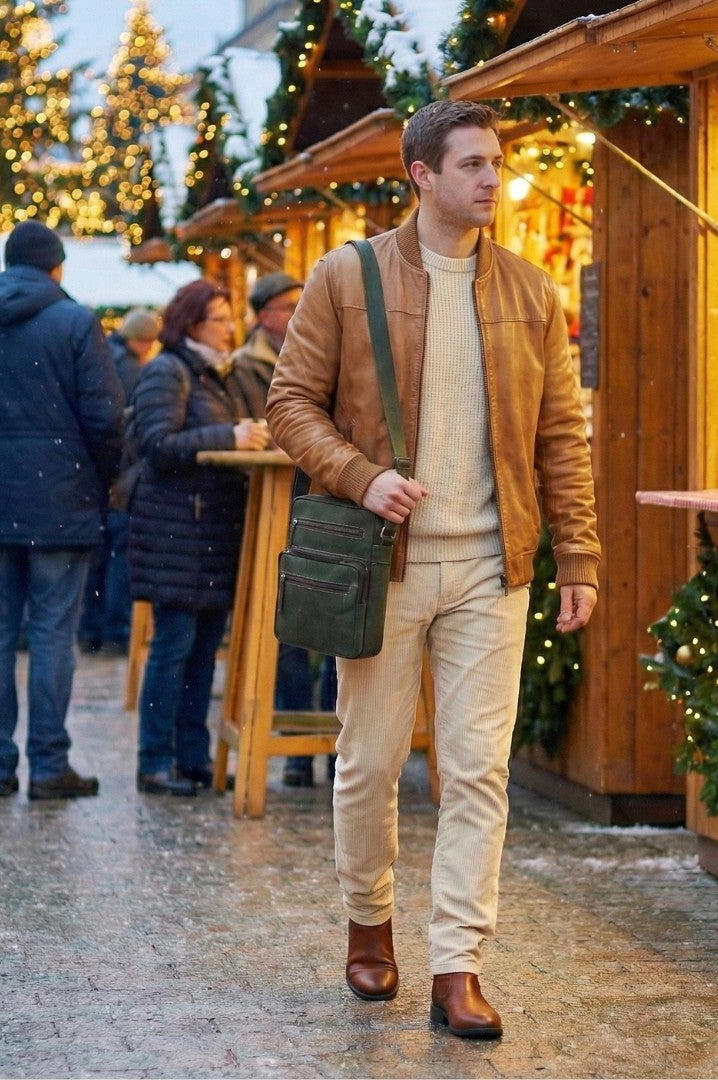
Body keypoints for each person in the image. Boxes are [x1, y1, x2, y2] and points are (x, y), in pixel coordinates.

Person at [266, 99, 601, 1038]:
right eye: (472, 164)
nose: (492, 178)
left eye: (497, 162)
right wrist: (361, 476)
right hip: (386, 567)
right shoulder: (348, 276)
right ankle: (368, 922)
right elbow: (290, 404)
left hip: (493, 568)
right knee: (370, 763)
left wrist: (577, 554)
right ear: (421, 175)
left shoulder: (531, 291)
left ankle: (459, 965)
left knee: (478, 772)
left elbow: (561, 437)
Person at [0, 220, 124, 800]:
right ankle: (48, 764)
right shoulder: (75, 321)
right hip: (61, 500)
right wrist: (99, 480)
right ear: (56, 266)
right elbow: (106, 417)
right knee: (51, 634)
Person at [128, 279, 271, 796]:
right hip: (177, 531)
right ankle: (154, 761)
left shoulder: (218, 373)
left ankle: (192, 757)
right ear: (192, 323)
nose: (230, 329)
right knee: (173, 647)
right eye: (219, 320)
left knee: (203, 649)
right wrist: (228, 436)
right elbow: (157, 444)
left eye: (231, 319)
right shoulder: (168, 370)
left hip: (211, 531)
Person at [233, 270, 327, 788]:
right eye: (287, 306)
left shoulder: (324, 348)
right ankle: (295, 748)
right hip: (273, 508)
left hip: (329, 501)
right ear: (263, 314)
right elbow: (252, 431)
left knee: (340, 624)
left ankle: (337, 746)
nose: (295, 314)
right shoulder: (244, 367)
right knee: (287, 628)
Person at [78, 306, 161, 657]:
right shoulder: (130, 369)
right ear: (143, 340)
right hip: (119, 476)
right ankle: (115, 631)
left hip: (95, 475)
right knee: (118, 556)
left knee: (99, 558)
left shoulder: (103, 358)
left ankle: (89, 630)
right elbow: (122, 427)